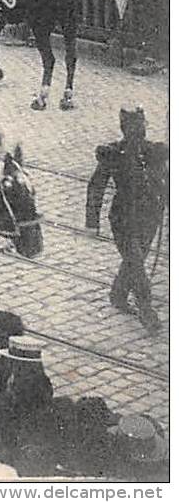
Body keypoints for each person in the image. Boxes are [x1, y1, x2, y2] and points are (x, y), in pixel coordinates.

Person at [87, 107, 167, 335]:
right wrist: (92, 223)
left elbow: (166, 182)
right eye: (133, 127)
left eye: (141, 126)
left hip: (150, 217)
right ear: (125, 129)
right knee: (136, 264)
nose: (138, 131)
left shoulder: (154, 152)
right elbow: (96, 185)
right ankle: (146, 310)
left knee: (136, 259)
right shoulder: (113, 154)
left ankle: (118, 294)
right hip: (123, 218)